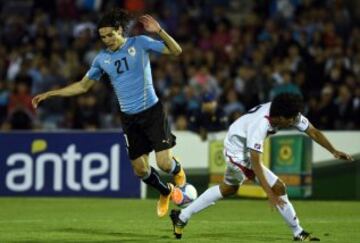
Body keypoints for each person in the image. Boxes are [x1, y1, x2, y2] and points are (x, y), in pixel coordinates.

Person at [32, 9, 186, 217]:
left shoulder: (139, 43)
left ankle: (177, 171)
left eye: (110, 35)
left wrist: (159, 31)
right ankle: (165, 191)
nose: (106, 40)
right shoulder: (101, 59)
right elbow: (82, 86)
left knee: (164, 164)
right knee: (140, 170)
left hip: (152, 112)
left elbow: (176, 51)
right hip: (129, 118)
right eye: (102, 37)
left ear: (120, 30)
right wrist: (51, 93)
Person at [170, 93, 353, 241]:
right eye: (291, 119)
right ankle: (299, 233)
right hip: (237, 153)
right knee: (279, 187)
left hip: (239, 143)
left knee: (229, 189)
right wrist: (270, 192)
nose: (295, 121)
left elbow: (312, 131)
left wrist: (334, 151)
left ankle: (182, 217)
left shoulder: (286, 112)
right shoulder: (260, 125)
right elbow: (255, 161)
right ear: (281, 118)